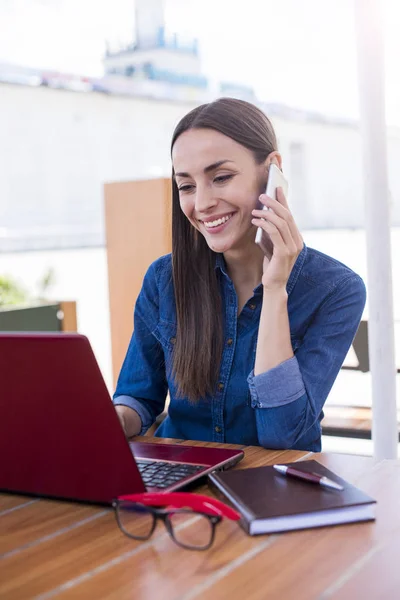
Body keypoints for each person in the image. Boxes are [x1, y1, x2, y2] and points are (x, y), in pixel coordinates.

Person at [114, 97, 366, 452]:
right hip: (182, 486)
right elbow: (138, 399)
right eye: (186, 186)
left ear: (273, 170)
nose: (201, 204)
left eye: (221, 177)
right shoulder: (163, 279)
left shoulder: (336, 290)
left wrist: (275, 289)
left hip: (279, 490)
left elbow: (283, 436)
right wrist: (106, 419)